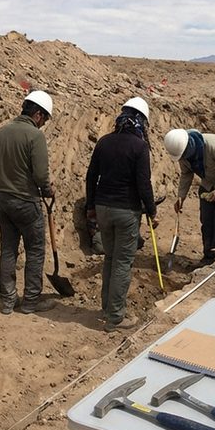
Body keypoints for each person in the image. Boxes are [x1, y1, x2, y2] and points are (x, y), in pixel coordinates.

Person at [85, 97, 156, 330]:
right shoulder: (139, 147)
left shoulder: (104, 142)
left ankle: (107, 307)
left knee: (110, 258)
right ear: (141, 122)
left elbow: (90, 176)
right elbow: (143, 184)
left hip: (103, 208)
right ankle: (115, 318)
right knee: (123, 263)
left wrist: (91, 206)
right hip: (126, 211)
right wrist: (152, 212)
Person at [0, 90, 55, 314]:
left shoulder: (2, 132)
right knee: (35, 250)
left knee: (8, 248)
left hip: (2, 198)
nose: (44, 124)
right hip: (26, 201)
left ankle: (8, 301)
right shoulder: (35, 136)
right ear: (38, 114)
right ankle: (30, 302)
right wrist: (47, 190)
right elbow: (40, 176)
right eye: (45, 119)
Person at [164, 128, 215, 265]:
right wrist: (181, 196)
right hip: (207, 184)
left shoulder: (213, 146)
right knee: (207, 222)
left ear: (189, 146)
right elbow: (186, 174)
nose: (182, 159)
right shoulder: (182, 153)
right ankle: (208, 257)